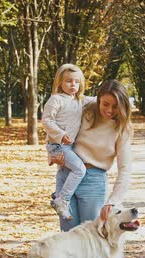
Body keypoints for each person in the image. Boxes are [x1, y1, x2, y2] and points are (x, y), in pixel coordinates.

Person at [50, 79, 133, 258]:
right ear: (98, 99)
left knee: (98, 239)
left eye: (115, 106)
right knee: (72, 238)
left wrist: (114, 201)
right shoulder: (85, 111)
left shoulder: (121, 128)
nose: (109, 110)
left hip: (94, 180)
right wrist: (56, 154)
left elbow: (125, 169)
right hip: (67, 175)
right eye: (105, 104)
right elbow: (59, 127)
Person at [41, 64, 96, 220]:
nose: (73, 85)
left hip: (68, 145)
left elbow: (98, 100)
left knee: (62, 171)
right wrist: (60, 134)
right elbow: (46, 121)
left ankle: (59, 195)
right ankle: (62, 200)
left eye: (76, 82)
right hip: (57, 144)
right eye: (68, 81)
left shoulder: (79, 100)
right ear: (59, 82)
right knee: (79, 169)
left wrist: (116, 95)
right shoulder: (56, 99)